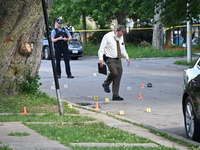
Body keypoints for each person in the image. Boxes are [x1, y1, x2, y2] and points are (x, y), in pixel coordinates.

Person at [98, 26, 131, 101]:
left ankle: (115, 95)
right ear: (116, 31)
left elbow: (122, 48)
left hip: (118, 59)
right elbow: (101, 49)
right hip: (110, 58)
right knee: (114, 73)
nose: (120, 36)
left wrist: (127, 57)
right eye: (119, 34)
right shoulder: (107, 36)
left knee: (118, 76)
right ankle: (106, 84)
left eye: (121, 35)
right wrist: (101, 59)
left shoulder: (121, 38)